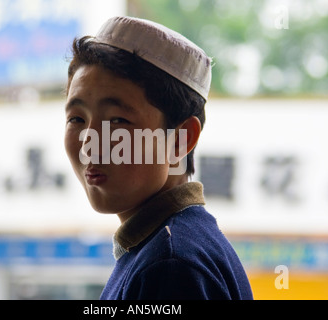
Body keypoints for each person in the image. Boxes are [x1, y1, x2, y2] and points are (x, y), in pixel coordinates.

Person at [64, 16, 253, 300]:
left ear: (180, 139)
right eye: (77, 119)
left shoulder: (170, 264)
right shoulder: (169, 245)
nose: (89, 146)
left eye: (117, 121)